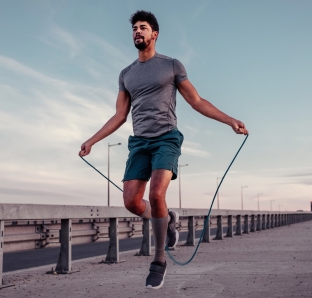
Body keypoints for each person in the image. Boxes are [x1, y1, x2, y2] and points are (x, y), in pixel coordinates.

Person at [79, 10, 248, 289]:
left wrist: (230, 120)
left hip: (166, 138)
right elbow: (120, 115)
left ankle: (159, 260)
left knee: (157, 193)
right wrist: (92, 140)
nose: (137, 32)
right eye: (134, 28)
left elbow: (196, 101)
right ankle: (169, 218)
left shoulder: (171, 65)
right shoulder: (126, 74)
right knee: (132, 202)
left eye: (143, 28)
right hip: (139, 142)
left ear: (154, 34)